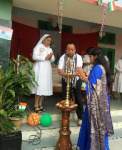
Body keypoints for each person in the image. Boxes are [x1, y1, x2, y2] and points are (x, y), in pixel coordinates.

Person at [76, 48, 114, 150]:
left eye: (91, 56)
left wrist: (82, 75)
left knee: (95, 126)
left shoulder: (97, 68)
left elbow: (92, 86)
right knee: (101, 126)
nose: (90, 58)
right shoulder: (103, 67)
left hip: (96, 104)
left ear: (96, 57)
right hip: (102, 102)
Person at [58, 42, 84, 126]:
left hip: (76, 80)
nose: (70, 51)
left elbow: (79, 69)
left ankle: (80, 118)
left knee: (78, 98)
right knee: (65, 98)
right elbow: (59, 70)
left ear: (75, 50)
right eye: (68, 49)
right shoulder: (63, 57)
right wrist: (67, 75)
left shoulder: (79, 57)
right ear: (66, 50)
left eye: (72, 50)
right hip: (66, 80)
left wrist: (73, 75)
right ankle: (65, 117)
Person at [31, 34, 55, 113]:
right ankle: (36, 105)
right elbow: (34, 57)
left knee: (44, 87)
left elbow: (53, 60)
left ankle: (40, 104)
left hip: (47, 69)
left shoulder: (50, 49)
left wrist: (50, 58)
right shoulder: (38, 47)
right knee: (39, 86)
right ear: (43, 39)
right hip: (39, 68)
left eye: (50, 41)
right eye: (47, 40)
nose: (48, 42)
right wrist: (45, 58)